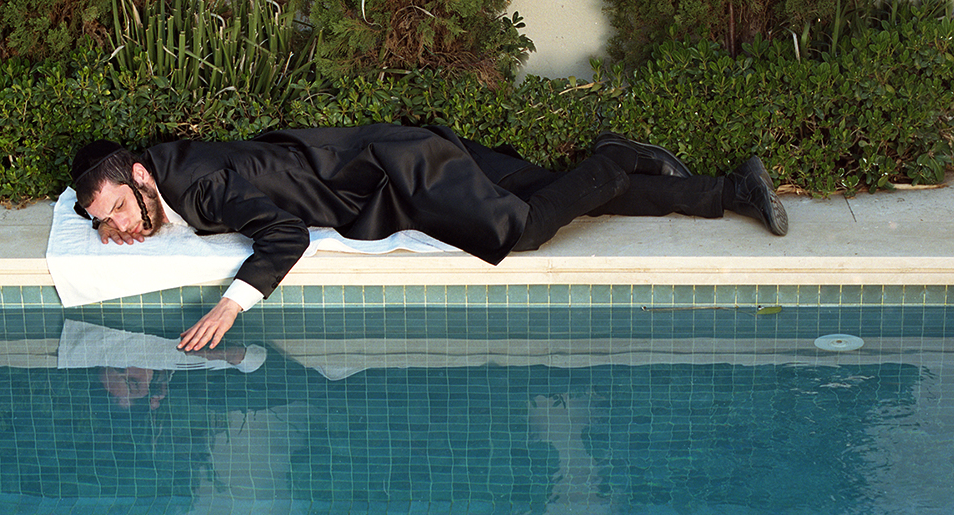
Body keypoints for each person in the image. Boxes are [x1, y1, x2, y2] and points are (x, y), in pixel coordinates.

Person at [70, 125, 787, 351]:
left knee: (526, 228)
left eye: (117, 211)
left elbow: (283, 234)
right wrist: (116, 221)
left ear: (138, 175)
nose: (119, 227)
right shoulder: (167, 169)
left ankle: (618, 158)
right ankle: (729, 191)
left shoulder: (196, 186)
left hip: (401, 176)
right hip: (393, 153)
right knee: (547, 191)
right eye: (106, 222)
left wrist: (233, 305)